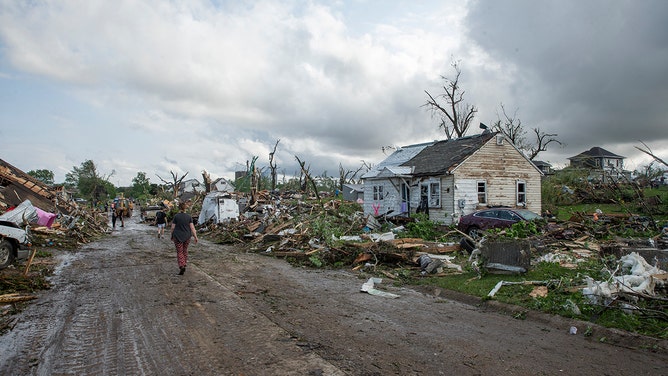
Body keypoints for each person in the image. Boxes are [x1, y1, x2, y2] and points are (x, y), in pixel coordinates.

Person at [170, 202, 198, 275]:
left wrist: (172, 235)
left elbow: (172, 227)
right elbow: (192, 227)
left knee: (179, 251)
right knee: (185, 250)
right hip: (187, 236)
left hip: (178, 236)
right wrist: (195, 236)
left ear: (179, 208)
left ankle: (181, 265)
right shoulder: (189, 217)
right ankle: (184, 263)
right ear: (185, 208)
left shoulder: (176, 216)